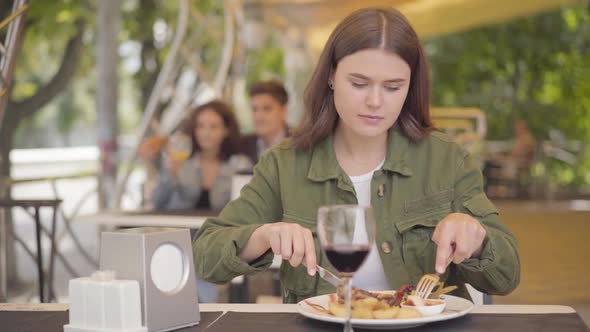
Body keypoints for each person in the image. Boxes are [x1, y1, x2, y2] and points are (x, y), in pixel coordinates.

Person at [194, 7, 520, 304]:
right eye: (360, 83)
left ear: (410, 87)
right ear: (332, 76)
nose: (375, 102)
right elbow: (205, 256)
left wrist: (477, 239)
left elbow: (507, 276)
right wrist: (262, 235)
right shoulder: (285, 163)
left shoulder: (446, 159)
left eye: (393, 87)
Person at [151, 100, 251, 211]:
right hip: (178, 227)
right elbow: (157, 203)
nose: (206, 133)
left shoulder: (239, 165)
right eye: (200, 126)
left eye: (213, 127)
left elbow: (244, 208)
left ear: (226, 130)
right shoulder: (180, 161)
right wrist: (171, 175)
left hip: (220, 228)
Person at [241, 80, 290, 164]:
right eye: (254, 109)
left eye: (267, 108)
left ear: (283, 110)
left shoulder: (300, 145)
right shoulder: (242, 146)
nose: (259, 116)